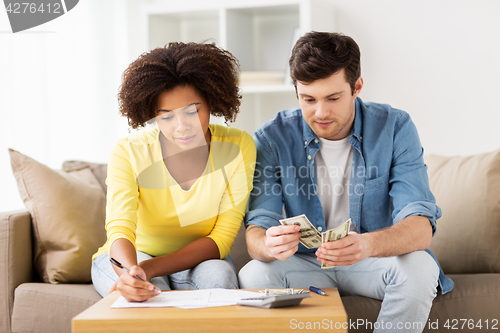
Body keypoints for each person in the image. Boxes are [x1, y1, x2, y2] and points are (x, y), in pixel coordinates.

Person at [238, 32, 453, 332]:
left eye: (333, 98)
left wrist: (366, 245)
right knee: (253, 275)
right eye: (308, 99)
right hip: (307, 263)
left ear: (357, 87)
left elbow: (419, 226)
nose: (321, 112)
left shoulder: (395, 127)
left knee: (421, 267)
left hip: (372, 260)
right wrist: (268, 244)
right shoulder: (272, 138)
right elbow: (257, 229)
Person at [91, 42, 256, 302]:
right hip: (136, 254)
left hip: (200, 258)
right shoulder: (129, 151)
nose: (182, 127)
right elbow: (120, 227)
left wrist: (152, 268)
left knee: (219, 279)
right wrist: (132, 272)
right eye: (166, 116)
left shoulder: (238, 146)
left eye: (192, 111)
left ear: (211, 101)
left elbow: (222, 239)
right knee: (146, 292)